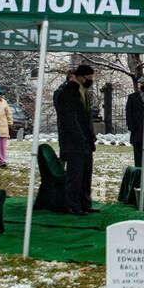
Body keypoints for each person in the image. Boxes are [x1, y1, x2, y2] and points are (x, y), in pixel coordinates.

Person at [53, 63, 97, 215]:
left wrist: (90, 136)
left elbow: (85, 117)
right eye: (88, 77)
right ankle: (72, 205)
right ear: (80, 76)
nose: (90, 80)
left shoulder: (83, 91)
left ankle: (85, 203)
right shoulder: (69, 91)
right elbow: (69, 119)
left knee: (86, 174)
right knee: (75, 175)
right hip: (74, 142)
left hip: (85, 142)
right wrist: (80, 137)